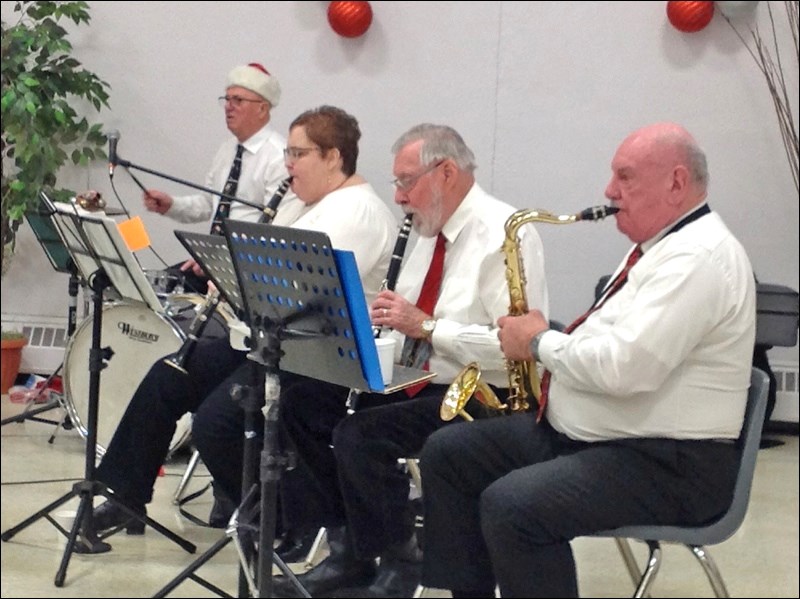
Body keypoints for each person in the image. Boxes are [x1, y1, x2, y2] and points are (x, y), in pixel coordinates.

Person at [418, 122, 757, 598]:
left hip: (669, 464)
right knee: (449, 453)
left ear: (677, 183)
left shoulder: (698, 258)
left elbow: (624, 368)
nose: (609, 190)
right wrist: (548, 334)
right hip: (604, 439)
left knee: (514, 506)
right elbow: (609, 342)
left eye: (625, 177)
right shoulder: (658, 248)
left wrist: (538, 342)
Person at [87, 106, 397, 549]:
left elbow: (303, 294)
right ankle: (125, 497)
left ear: (333, 156)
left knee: (217, 423)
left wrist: (242, 280)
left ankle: (283, 518)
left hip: (318, 357)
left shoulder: (357, 212)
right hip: (270, 342)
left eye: (299, 153)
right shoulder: (306, 201)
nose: (288, 164)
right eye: (287, 152)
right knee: (167, 378)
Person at [271, 124, 549, 598]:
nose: (398, 196)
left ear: (446, 172)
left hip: (484, 393)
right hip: (416, 377)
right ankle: (350, 550)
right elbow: (405, 324)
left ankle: (401, 560)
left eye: (405, 181)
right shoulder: (427, 229)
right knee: (303, 406)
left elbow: (515, 348)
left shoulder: (506, 236)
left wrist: (426, 326)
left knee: (360, 435)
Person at [142, 62, 292, 294]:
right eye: (227, 99)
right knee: (153, 288)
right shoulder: (227, 150)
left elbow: (274, 228)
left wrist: (220, 259)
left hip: (246, 271)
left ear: (262, 108)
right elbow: (209, 204)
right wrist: (171, 205)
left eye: (238, 101)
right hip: (213, 263)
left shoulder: (278, 157)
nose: (228, 107)